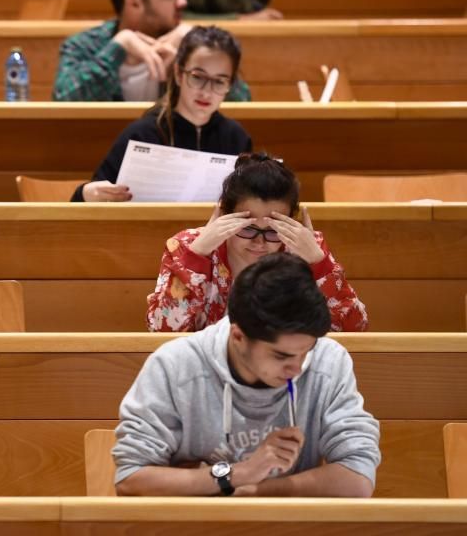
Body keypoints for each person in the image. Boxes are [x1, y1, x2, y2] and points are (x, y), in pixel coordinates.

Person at [114, 252, 381, 497]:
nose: (297, 368)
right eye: (281, 356)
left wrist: (260, 490)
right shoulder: (175, 366)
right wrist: (239, 473)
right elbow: (130, 480)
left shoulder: (328, 361)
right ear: (239, 336)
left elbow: (358, 478)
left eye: (306, 352)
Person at [147, 153, 369, 332]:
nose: (259, 242)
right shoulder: (188, 245)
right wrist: (195, 257)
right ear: (224, 213)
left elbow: (354, 328)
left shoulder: (305, 247)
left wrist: (319, 265)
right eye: (247, 227)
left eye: (273, 230)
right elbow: (163, 330)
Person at [72, 25, 251, 202]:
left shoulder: (236, 137)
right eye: (197, 77)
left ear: (230, 84)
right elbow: (86, 201)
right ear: (179, 74)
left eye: (219, 81)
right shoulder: (142, 134)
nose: (206, 92)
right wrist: (86, 193)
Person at [53, 0, 250, 104]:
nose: (182, 2)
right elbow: (63, 100)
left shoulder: (188, 43)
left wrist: (200, 52)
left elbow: (243, 101)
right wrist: (118, 48)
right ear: (134, 4)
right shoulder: (84, 45)